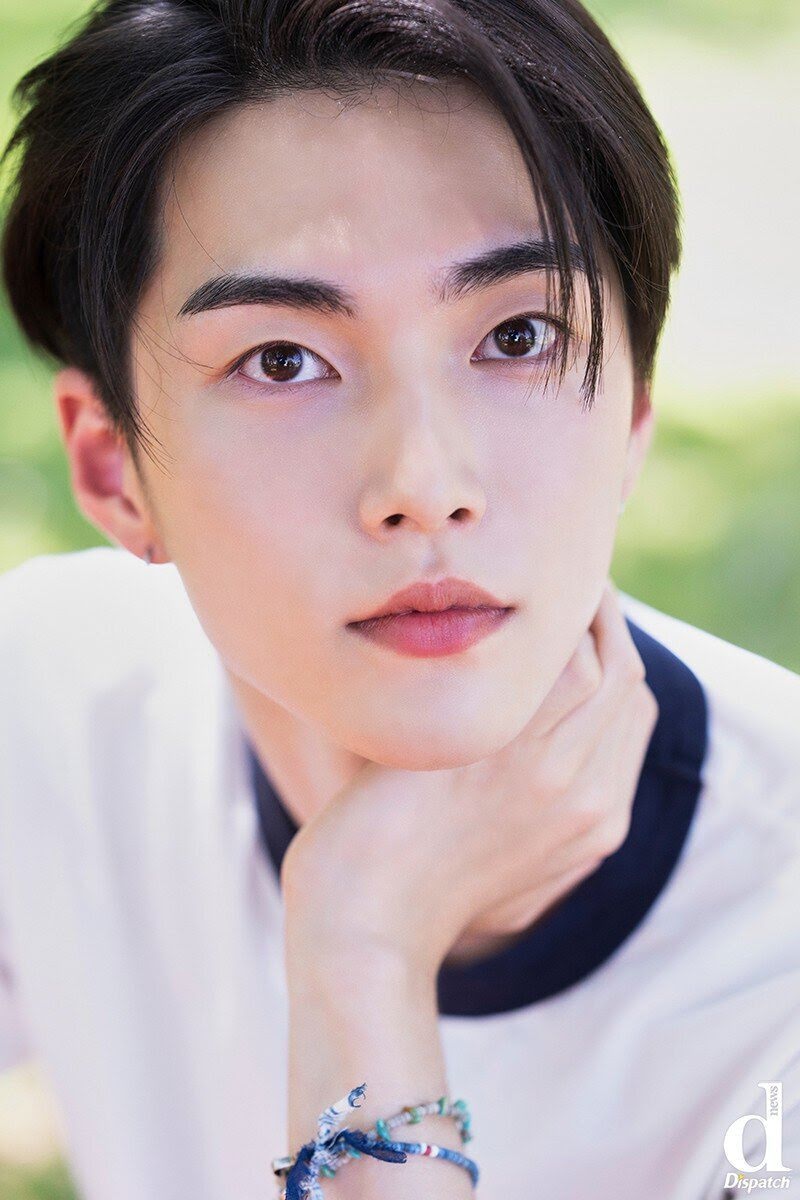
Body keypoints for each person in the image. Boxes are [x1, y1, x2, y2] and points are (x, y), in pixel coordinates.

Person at [0, 0, 798, 1197]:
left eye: (518, 336)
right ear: (115, 470)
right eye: (281, 361)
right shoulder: (51, 703)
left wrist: (361, 952)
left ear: (633, 413)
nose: (424, 485)